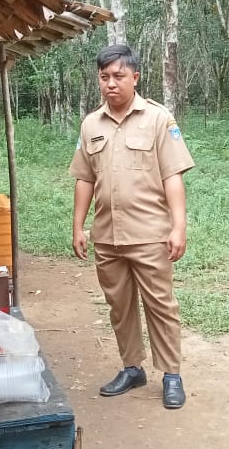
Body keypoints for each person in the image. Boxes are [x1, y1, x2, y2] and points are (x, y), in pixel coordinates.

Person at [69, 44, 195, 409]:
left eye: (119, 76)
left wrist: (178, 227)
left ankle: (171, 374)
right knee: (119, 306)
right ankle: (131, 367)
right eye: (104, 77)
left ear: (135, 77)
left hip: (149, 233)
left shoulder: (158, 119)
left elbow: (173, 176)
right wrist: (79, 226)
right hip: (107, 235)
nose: (111, 84)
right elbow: (84, 179)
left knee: (161, 305)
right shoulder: (91, 123)